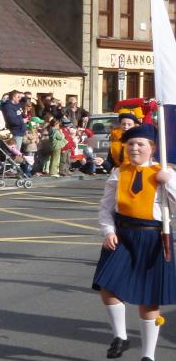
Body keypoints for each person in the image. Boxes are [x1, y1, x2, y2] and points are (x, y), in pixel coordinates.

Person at [92, 124, 176, 361]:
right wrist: (108, 231)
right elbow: (105, 208)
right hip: (123, 235)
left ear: (152, 148)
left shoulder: (165, 172)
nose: (134, 148)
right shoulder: (119, 172)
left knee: (149, 300)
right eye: (130, 144)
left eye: (140, 144)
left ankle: (148, 356)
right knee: (107, 286)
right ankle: (121, 337)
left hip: (153, 238)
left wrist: (168, 182)